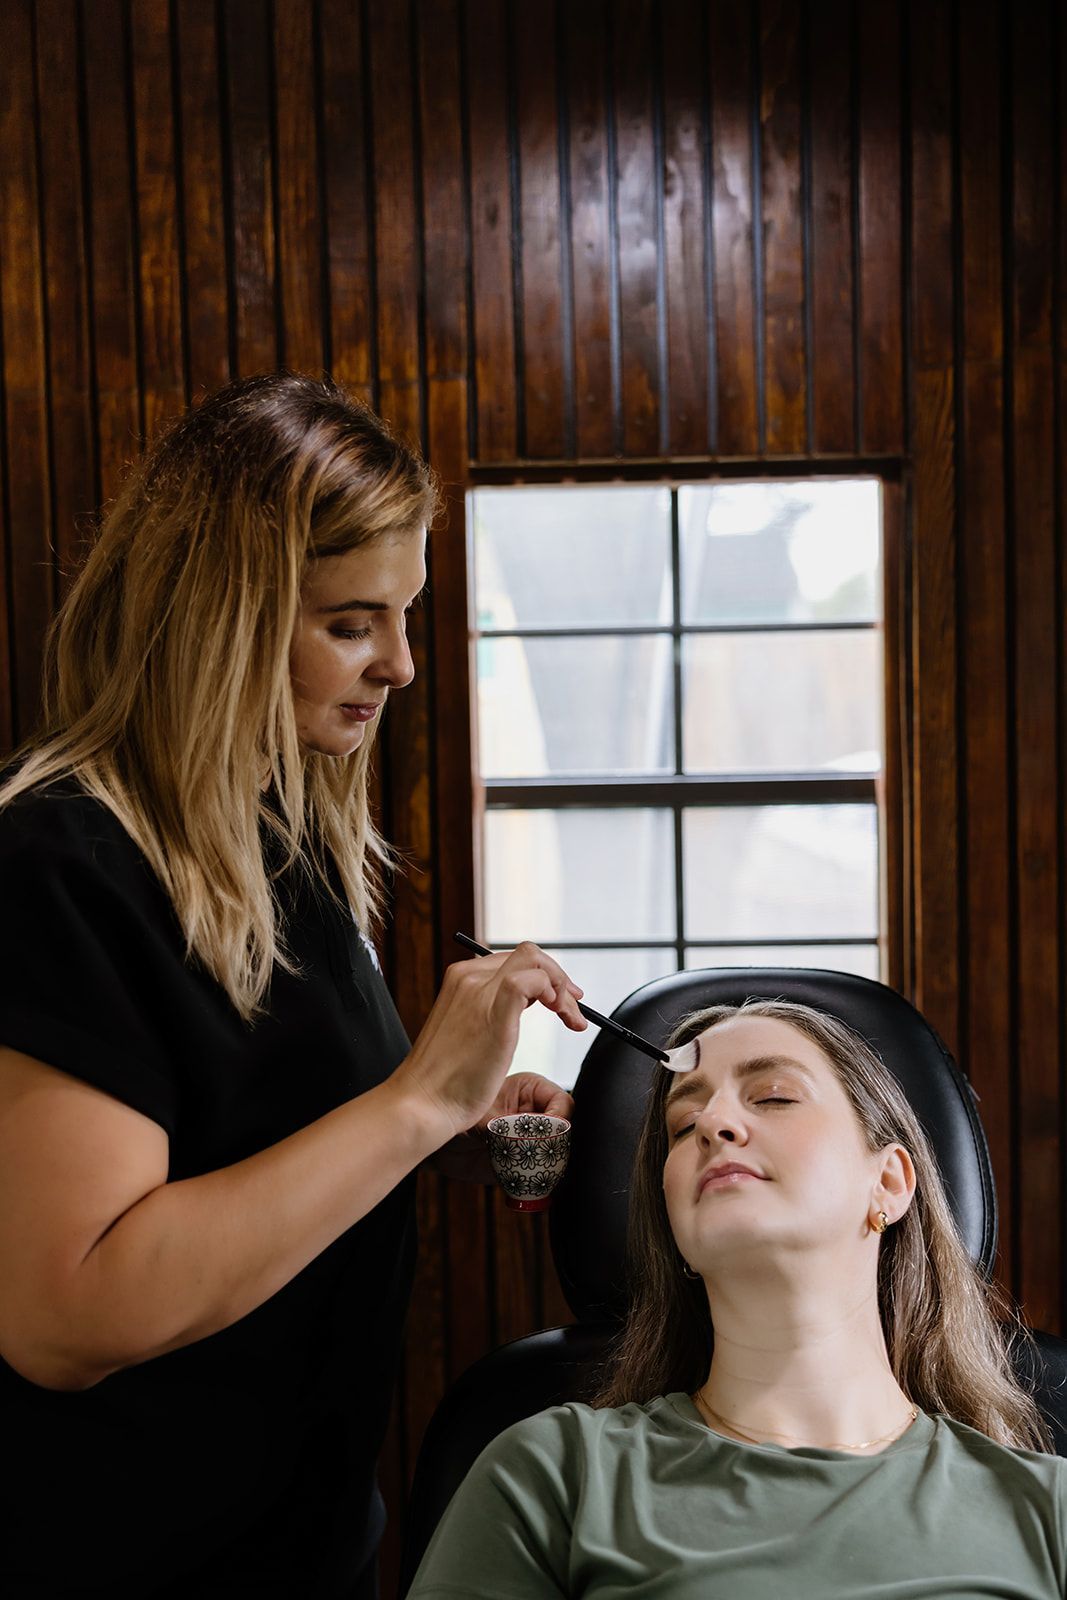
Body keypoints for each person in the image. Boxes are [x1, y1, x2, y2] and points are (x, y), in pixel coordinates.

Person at [0, 371, 585, 1598]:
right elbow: (64, 1316)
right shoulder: (65, 862)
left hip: (306, 1540)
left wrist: (457, 1132)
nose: (401, 667)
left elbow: (264, 1141)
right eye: (350, 622)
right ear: (220, 611)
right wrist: (412, 1102)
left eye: (407, 615)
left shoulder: (293, 844)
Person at [407, 998, 1065, 1599]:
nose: (713, 1123)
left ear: (887, 1182)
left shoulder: (1049, 1512)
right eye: (683, 1120)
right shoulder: (556, 1478)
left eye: (773, 1097)